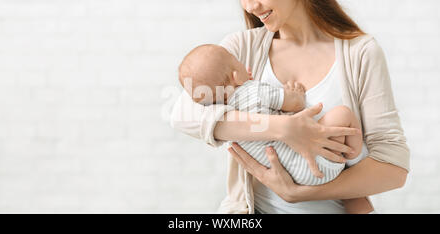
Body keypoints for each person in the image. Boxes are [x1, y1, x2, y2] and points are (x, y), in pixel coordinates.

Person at [170, 0, 409, 214]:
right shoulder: (242, 47)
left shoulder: (360, 53)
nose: (250, 6)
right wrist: (283, 128)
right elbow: (183, 115)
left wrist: (300, 193)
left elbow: (393, 168)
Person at [177, 44, 373, 213]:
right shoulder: (254, 91)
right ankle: (353, 162)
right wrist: (294, 93)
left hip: (291, 175)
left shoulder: (223, 115)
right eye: (237, 61)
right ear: (236, 75)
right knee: (343, 114)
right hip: (315, 166)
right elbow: (294, 104)